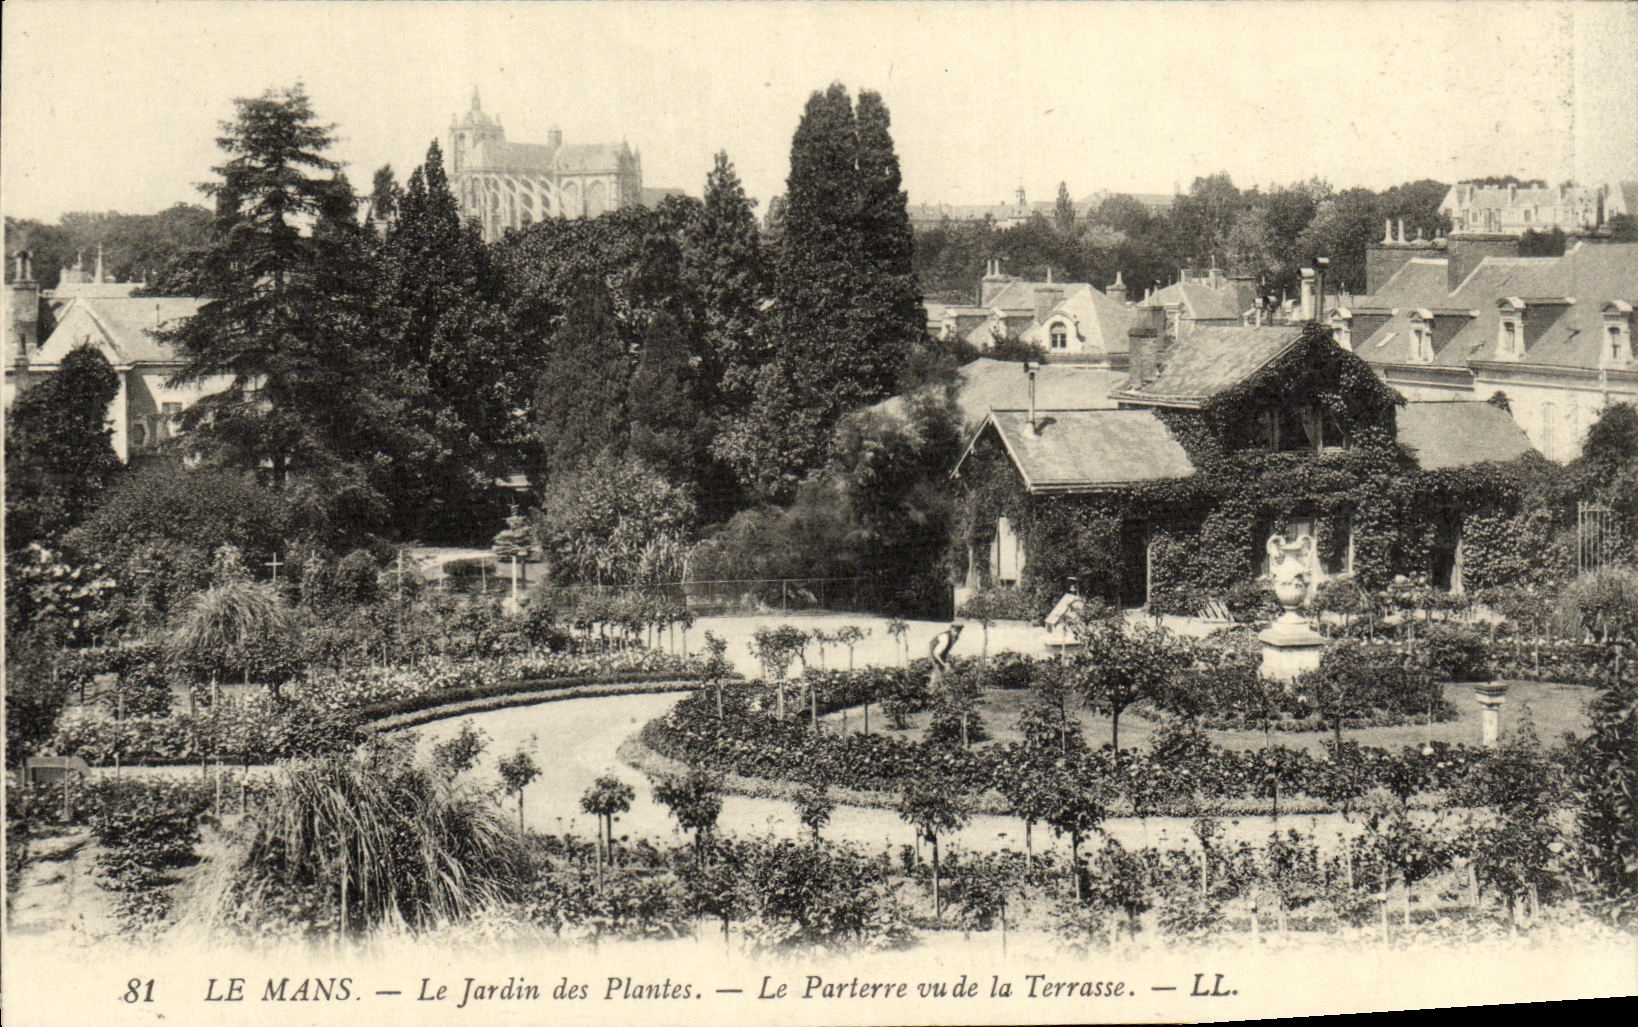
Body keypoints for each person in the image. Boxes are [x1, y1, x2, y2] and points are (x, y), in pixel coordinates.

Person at [928, 622, 963, 691]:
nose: (957, 633)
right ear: (951, 629)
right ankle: (930, 691)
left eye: (959, 631)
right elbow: (936, 653)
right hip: (934, 652)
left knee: (943, 672)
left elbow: (946, 649)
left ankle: (938, 689)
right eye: (955, 630)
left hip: (941, 653)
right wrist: (943, 663)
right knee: (936, 673)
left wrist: (945, 661)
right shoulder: (945, 638)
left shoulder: (955, 637)